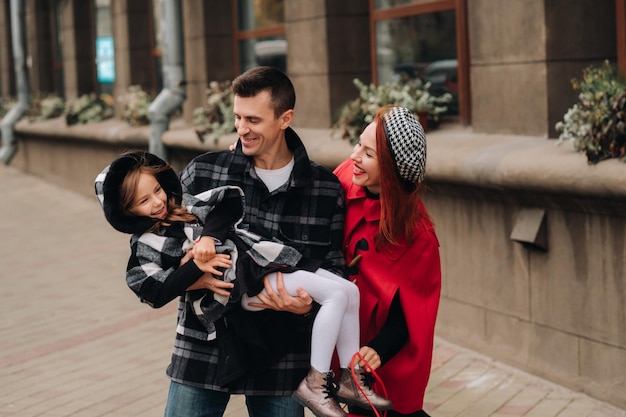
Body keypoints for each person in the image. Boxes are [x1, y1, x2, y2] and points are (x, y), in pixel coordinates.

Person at [94, 150, 391, 417]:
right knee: (336, 295)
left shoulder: (183, 206)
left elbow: (228, 203)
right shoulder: (146, 244)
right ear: (127, 212)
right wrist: (195, 270)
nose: (158, 201)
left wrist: (209, 238)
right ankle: (317, 381)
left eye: (157, 190)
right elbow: (153, 291)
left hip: (259, 261)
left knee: (349, 290)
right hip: (243, 284)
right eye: (144, 201)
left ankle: (350, 378)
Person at [165, 65, 356, 417]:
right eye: (237, 117)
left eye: (253, 119)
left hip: (282, 354)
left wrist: (307, 305)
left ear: (285, 118)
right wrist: (192, 272)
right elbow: (162, 251)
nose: (241, 129)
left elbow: (334, 270)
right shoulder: (203, 172)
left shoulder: (324, 189)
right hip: (206, 344)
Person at [333, 106, 442, 417]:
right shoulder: (344, 178)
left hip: (381, 356)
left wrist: (378, 349)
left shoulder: (418, 235)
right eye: (358, 143)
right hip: (338, 337)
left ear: (392, 170)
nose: (354, 156)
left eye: (368, 153)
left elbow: (413, 310)